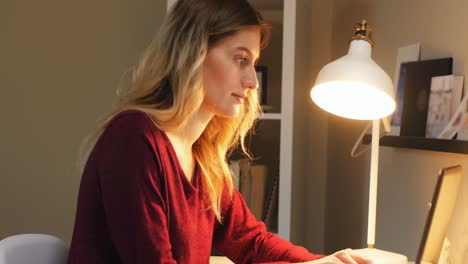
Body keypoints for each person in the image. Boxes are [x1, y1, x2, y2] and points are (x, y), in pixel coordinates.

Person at [67, 0, 369, 263]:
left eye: (253, 64)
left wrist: (324, 262)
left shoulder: (203, 157)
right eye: (241, 60)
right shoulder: (133, 139)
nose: (253, 82)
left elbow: (252, 244)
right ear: (194, 53)